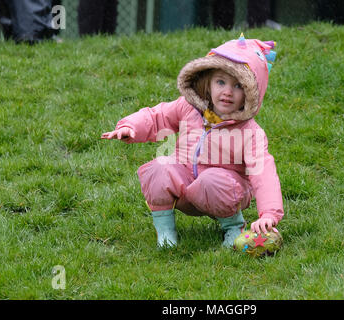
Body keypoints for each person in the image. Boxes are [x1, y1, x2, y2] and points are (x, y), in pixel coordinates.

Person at [101, 35, 284, 248]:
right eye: (221, 82)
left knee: (212, 179)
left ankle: (233, 226)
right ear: (207, 83)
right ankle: (166, 233)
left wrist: (269, 213)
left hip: (223, 193)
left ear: (251, 92)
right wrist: (130, 127)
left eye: (238, 86)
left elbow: (264, 173)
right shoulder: (189, 108)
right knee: (160, 167)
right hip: (185, 186)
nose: (227, 92)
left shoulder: (249, 132)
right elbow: (157, 116)